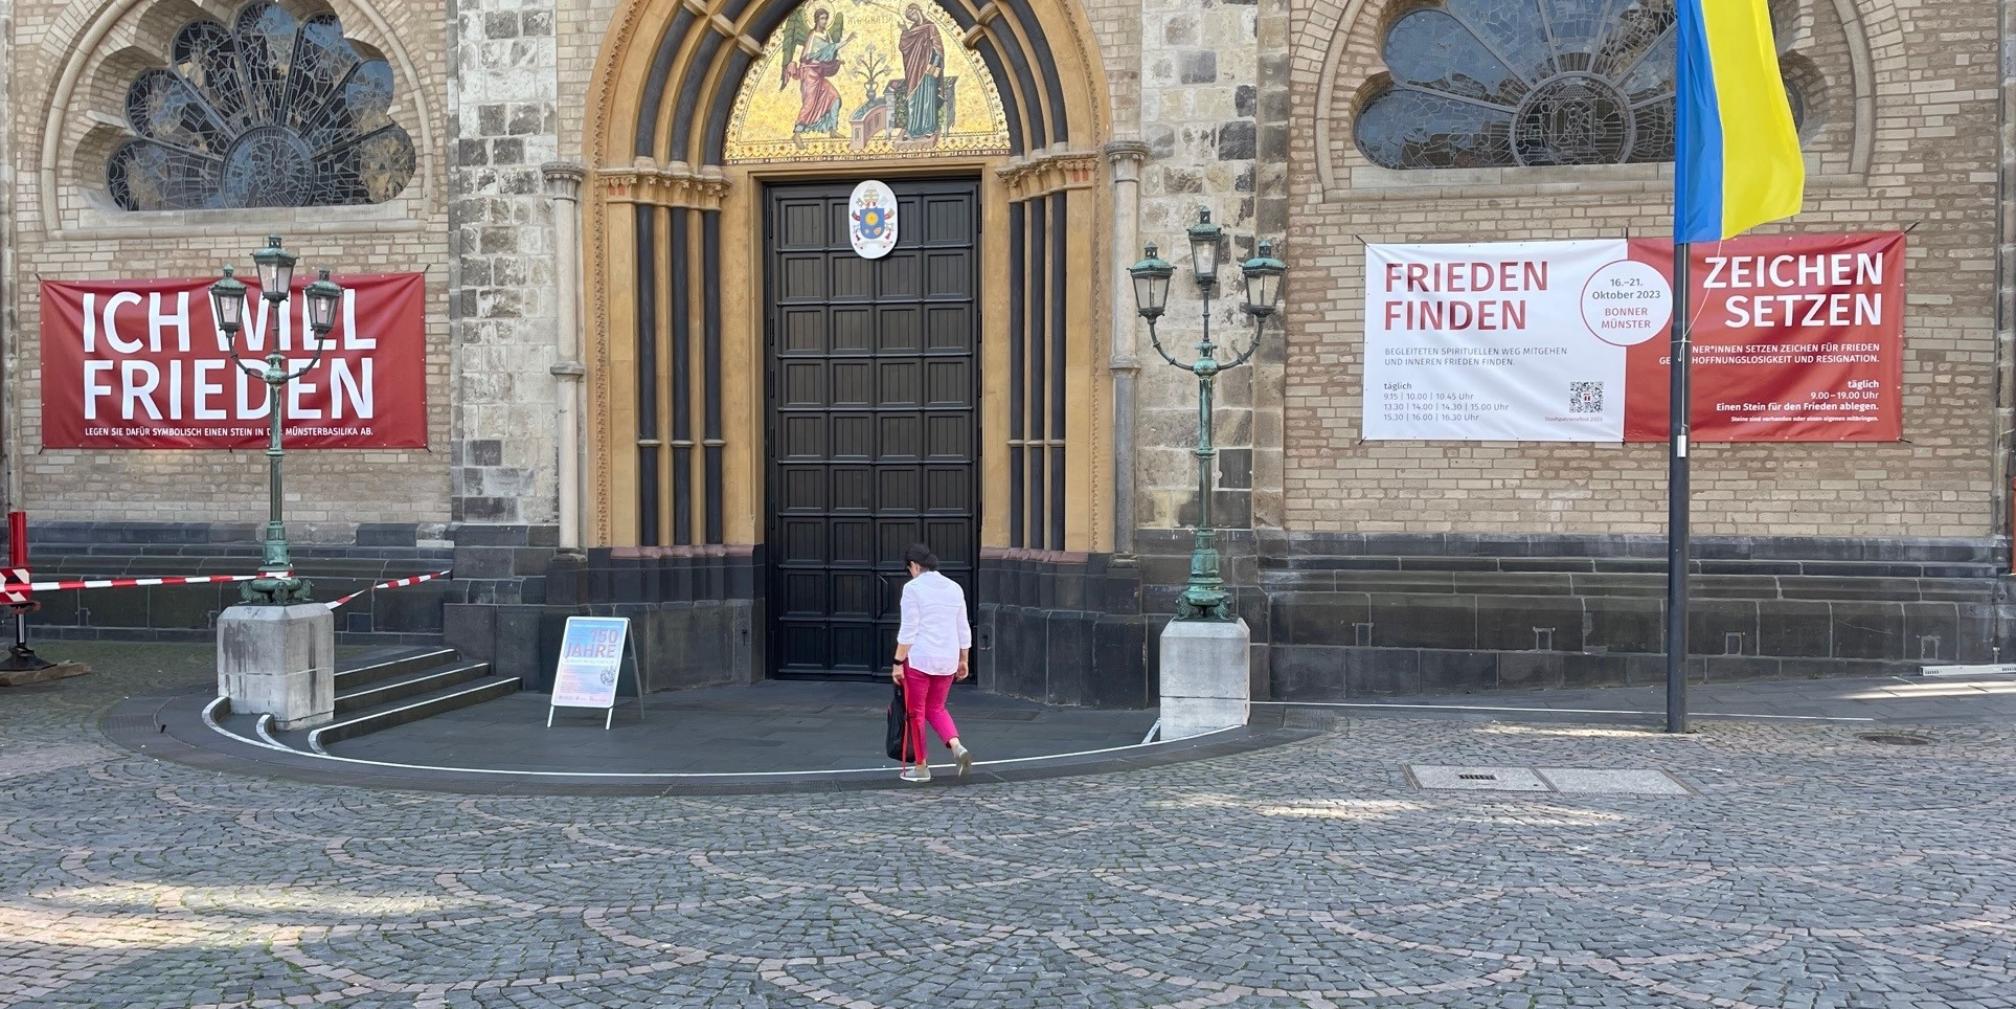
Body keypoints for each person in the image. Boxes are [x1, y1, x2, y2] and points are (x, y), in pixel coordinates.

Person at [891, 542, 973, 782]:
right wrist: (964, 659)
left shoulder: (912, 589)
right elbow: (963, 627)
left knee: (916, 713)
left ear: (914, 566)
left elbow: (909, 630)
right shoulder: (954, 588)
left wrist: (898, 661)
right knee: (937, 708)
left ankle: (921, 766)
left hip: (920, 658)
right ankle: (957, 747)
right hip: (947, 658)